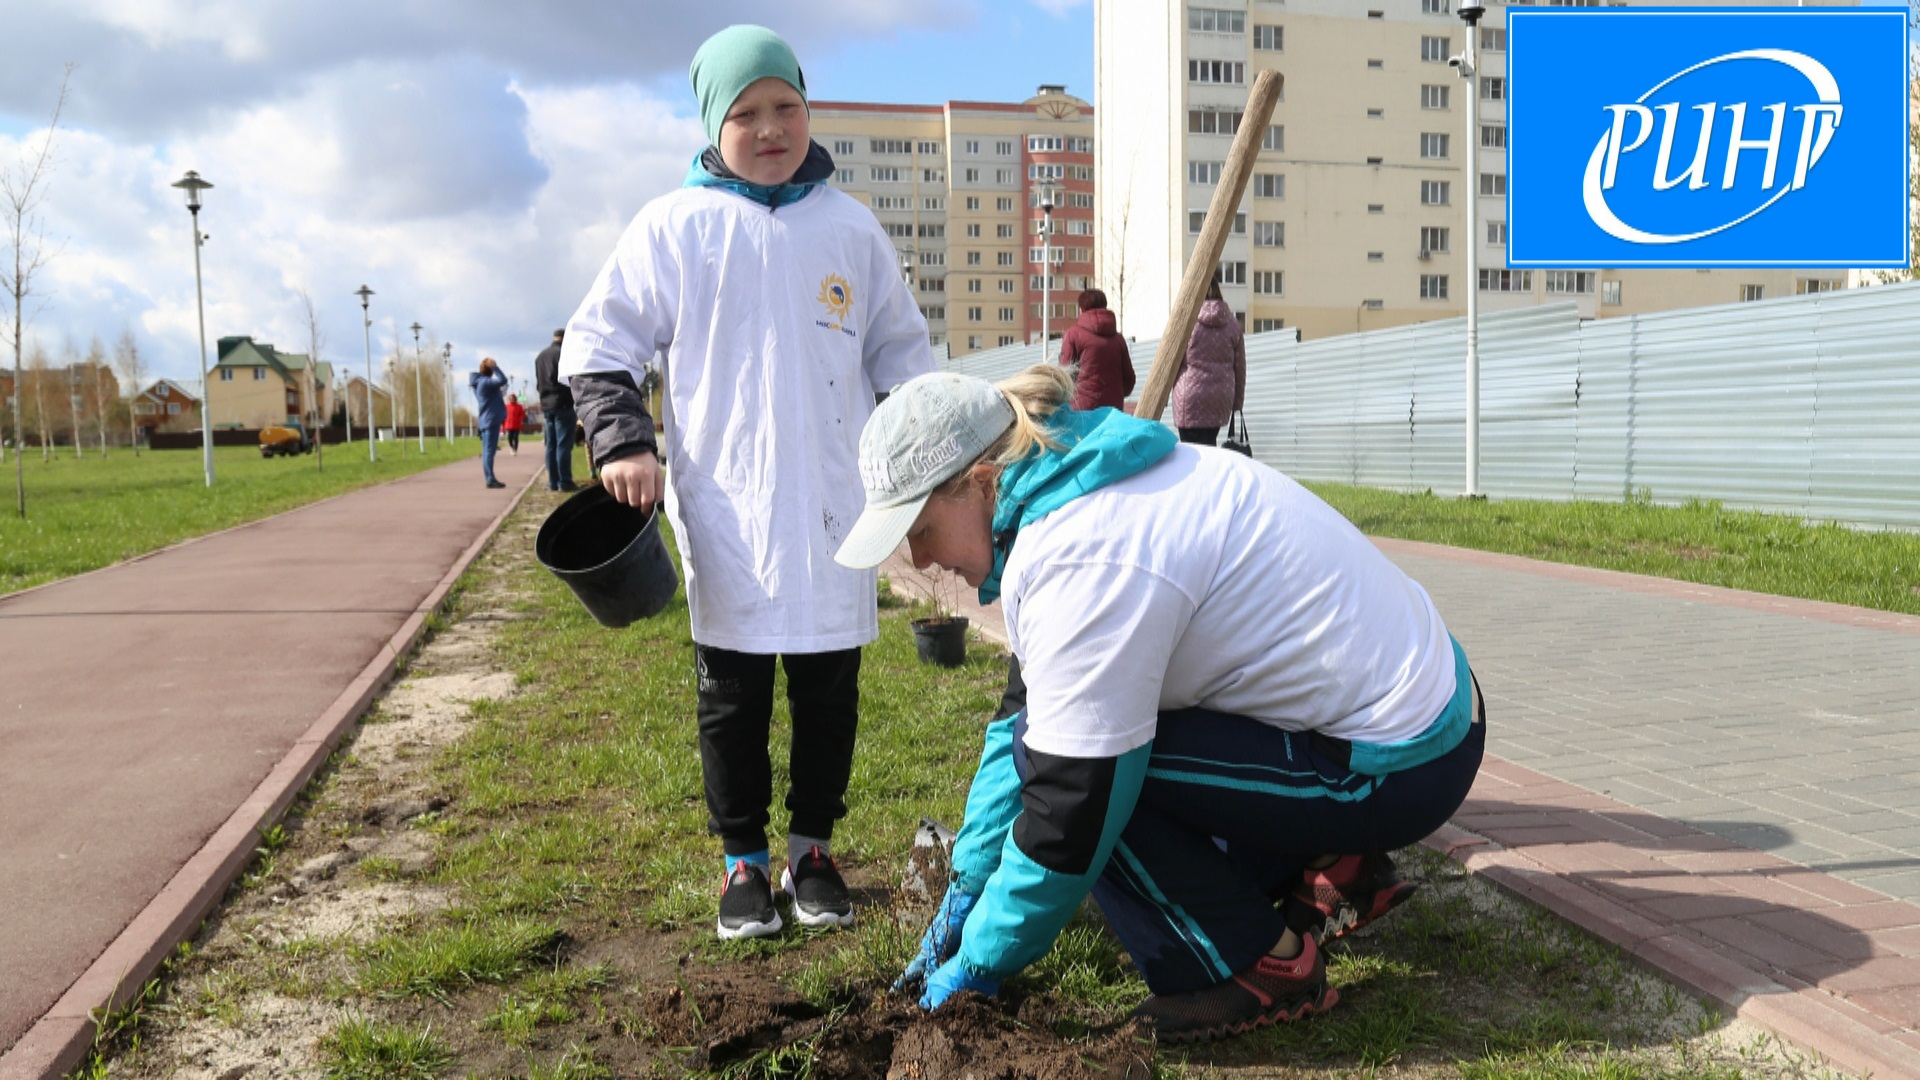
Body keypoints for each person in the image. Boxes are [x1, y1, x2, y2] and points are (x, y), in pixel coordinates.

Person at [834, 368, 1484, 1043]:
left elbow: (1071, 809)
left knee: (1108, 779)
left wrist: (977, 962)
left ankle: (1261, 967)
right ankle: (1326, 856)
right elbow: (1020, 721)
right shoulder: (1075, 489)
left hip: (1401, 759)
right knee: (1064, 740)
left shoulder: (1082, 554)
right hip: (1413, 708)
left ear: (977, 482)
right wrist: (967, 883)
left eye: (919, 526)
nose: (917, 555)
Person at [558, 25, 935, 941]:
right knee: (731, 693)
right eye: (747, 112)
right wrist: (623, 442)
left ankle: (812, 851)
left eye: (786, 106)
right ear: (712, 124)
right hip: (726, 505)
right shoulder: (675, 226)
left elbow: (902, 356)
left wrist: (929, 460)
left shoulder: (849, 226)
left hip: (835, 506)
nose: (770, 128)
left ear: (808, 110)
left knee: (828, 687)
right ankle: (742, 863)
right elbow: (597, 345)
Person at [1172, 279, 1245, 447]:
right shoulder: (1233, 325)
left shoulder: (1187, 323)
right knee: (1210, 446)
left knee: (1190, 452)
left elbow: (1173, 361)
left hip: (1189, 397)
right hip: (1220, 397)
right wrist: (1237, 403)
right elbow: (1240, 368)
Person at [1055, 288, 1134, 412]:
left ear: (1082, 309)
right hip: (1113, 411)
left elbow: (1064, 376)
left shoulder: (1073, 335)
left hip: (1082, 412)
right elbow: (1129, 380)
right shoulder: (1119, 340)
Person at [535, 329, 578, 491]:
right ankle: (564, 481)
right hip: (563, 404)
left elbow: (539, 383)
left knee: (551, 445)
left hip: (546, 405)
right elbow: (569, 381)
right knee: (563, 445)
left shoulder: (540, 357)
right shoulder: (564, 354)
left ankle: (552, 481)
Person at [469, 357, 508, 489]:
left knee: (487, 451)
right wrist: (495, 367)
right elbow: (503, 380)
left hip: (485, 419)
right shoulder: (486, 382)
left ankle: (489, 477)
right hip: (491, 419)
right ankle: (490, 478)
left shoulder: (479, 383)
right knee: (489, 451)